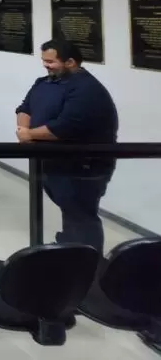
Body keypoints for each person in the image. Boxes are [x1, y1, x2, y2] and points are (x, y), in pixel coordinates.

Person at [15, 40, 118, 254]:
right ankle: (70, 253)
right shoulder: (44, 82)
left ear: (70, 62)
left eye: (51, 61)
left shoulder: (87, 89)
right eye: (44, 60)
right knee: (70, 211)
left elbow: (65, 127)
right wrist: (23, 130)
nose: (45, 65)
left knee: (81, 215)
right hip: (53, 162)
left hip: (82, 166)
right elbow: (25, 107)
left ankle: (88, 262)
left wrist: (29, 135)